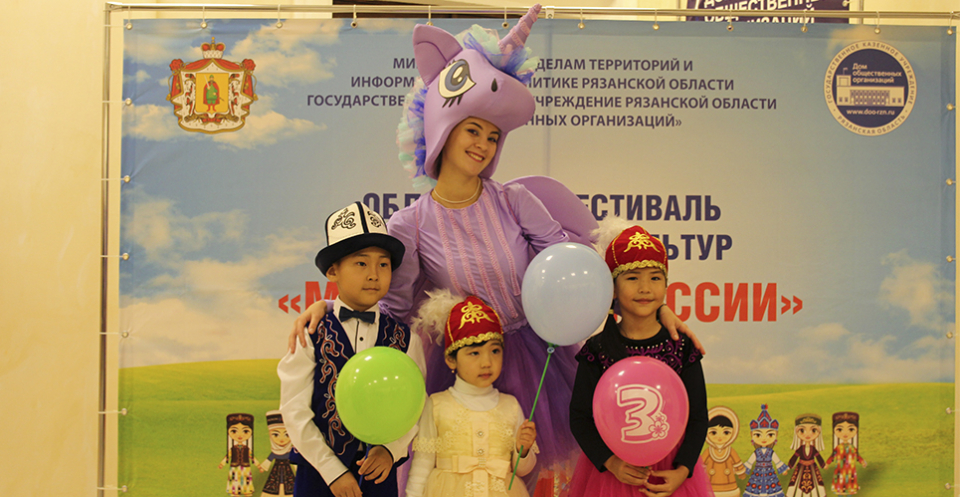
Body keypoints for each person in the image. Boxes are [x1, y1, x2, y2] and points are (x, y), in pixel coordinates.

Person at [289, 6, 703, 489]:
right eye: (473, 130)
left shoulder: (514, 200)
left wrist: (650, 310)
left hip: (538, 356)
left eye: (493, 136)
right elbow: (391, 309)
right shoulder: (411, 224)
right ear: (443, 129)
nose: (484, 144)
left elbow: (577, 271)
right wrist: (328, 307)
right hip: (462, 365)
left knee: (532, 476)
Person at [278, 202, 427, 497]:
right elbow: (294, 410)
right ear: (333, 271)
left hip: (378, 476)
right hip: (319, 477)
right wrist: (332, 471)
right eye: (361, 263)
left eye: (383, 264)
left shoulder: (406, 339)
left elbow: (416, 404)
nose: (373, 274)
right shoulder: (310, 333)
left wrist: (390, 450)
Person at [568, 218, 711, 497]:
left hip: (670, 469)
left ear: (666, 285)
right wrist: (611, 463)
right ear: (612, 287)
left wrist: (683, 470)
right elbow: (580, 418)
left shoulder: (681, 347)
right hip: (614, 475)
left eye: (655, 278)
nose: (645, 288)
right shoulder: (598, 350)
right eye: (632, 278)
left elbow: (697, 417)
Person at [405, 292, 538, 497]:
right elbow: (422, 464)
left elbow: (522, 470)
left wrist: (524, 449)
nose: (486, 362)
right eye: (474, 353)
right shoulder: (437, 404)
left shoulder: (510, 405)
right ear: (451, 360)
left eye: (495, 351)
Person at [743, 405, 789, 497]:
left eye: (770, 435)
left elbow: (777, 461)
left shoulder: (771, 452)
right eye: (758, 435)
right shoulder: (756, 452)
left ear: (776, 435)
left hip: (769, 475)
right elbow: (750, 462)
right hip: (757, 474)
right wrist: (744, 470)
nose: (764, 439)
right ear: (752, 435)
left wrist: (783, 469)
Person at [701, 406, 747, 497]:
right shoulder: (708, 452)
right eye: (713, 433)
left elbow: (737, 462)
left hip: (729, 485)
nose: (719, 437)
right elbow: (701, 465)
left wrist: (741, 472)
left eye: (726, 432)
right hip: (711, 484)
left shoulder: (731, 451)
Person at [218, 413, 262, 497]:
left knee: (246, 479)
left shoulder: (247, 448)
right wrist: (222, 463)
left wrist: (258, 465)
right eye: (234, 431)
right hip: (234, 466)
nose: (240, 435)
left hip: (245, 467)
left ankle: (246, 491)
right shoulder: (233, 448)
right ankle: (235, 492)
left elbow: (252, 457)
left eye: (245, 431)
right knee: (235, 480)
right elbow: (228, 456)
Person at [823, 412, 866, 495]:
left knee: (849, 483)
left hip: (850, 469)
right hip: (840, 468)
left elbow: (857, 456)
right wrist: (827, 463)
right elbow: (833, 455)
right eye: (840, 430)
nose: (845, 433)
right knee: (840, 482)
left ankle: (849, 493)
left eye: (851, 429)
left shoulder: (852, 447)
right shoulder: (838, 447)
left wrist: (862, 462)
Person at [785, 414, 826, 497]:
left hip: (812, 467)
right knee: (796, 483)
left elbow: (818, 457)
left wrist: (823, 465)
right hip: (801, 467)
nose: (807, 435)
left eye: (813, 430)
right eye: (802, 431)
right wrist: (788, 467)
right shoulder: (800, 448)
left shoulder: (813, 448)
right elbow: (794, 457)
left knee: (816, 484)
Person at [260, 410, 297, 496]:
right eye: (276, 435)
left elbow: (294, 462)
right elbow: (270, 459)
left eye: (287, 435)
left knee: (290, 488)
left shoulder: (290, 451)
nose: (281, 439)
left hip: (287, 472)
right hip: (276, 472)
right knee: (273, 488)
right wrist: (263, 467)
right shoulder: (275, 451)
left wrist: (297, 468)